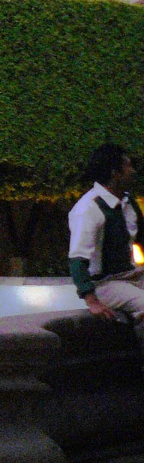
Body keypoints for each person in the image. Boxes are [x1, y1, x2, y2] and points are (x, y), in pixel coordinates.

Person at [68, 144, 144, 338]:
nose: (132, 171)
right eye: (127, 166)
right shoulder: (88, 209)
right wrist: (92, 301)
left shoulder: (127, 202)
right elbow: (77, 260)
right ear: (115, 173)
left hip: (131, 277)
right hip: (106, 285)